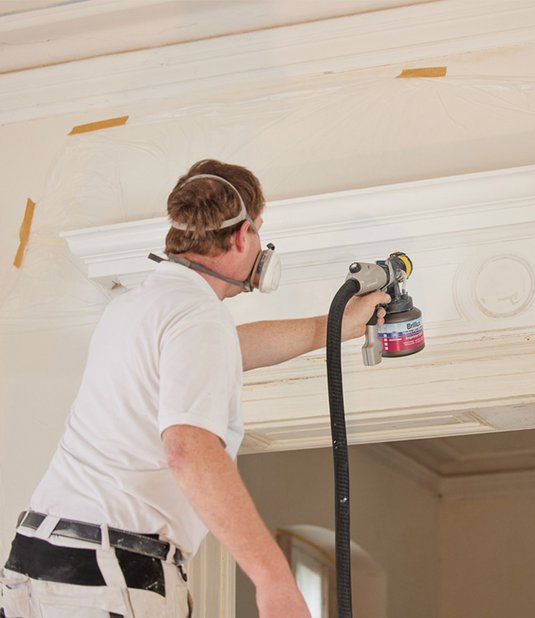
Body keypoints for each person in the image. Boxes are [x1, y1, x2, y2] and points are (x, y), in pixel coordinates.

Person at [0, 159, 390, 618]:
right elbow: (189, 448)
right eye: (259, 230)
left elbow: (230, 349)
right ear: (243, 235)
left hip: (41, 567)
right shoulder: (198, 317)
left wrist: (333, 325)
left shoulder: (139, 305)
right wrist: (274, 581)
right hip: (104, 575)